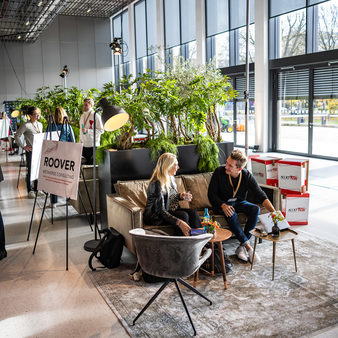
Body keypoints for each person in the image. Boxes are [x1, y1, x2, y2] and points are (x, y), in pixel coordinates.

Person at [208, 149, 275, 263]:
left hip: (238, 202)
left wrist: (274, 213)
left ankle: (241, 246)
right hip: (221, 204)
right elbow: (211, 194)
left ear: (239, 169)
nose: (226, 166)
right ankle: (248, 247)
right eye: (227, 162)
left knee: (255, 209)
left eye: (230, 165)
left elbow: (260, 194)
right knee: (230, 212)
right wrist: (223, 205)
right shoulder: (219, 171)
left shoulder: (246, 175)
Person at [143, 153, 201, 236]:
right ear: (168, 166)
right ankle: (183, 245)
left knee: (193, 213)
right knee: (183, 216)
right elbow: (161, 211)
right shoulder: (156, 184)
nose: (178, 167)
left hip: (169, 210)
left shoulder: (170, 178)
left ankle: (200, 240)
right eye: (176, 165)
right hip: (156, 216)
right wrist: (179, 222)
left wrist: (180, 196)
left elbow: (169, 197)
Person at [45, 106, 75, 206]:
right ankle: (68, 199)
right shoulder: (68, 127)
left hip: (53, 154)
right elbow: (73, 142)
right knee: (66, 178)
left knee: (53, 178)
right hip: (65, 154)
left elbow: (46, 141)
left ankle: (54, 202)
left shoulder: (50, 126)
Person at [14, 106, 43, 198]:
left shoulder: (40, 124)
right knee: (31, 170)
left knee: (38, 170)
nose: (37, 115)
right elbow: (16, 136)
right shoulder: (25, 125)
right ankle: (30, 190)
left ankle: (38, 189)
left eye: (38, 113)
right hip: (31, 150)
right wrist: (23, 147)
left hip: (39, 151)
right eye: (35, 114)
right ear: (30, 115)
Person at [79, 98, 104, 165]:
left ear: (91, 106)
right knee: (84, 167)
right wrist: (80, 143)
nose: (84, 106)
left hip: (92, 146)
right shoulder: (82, 116)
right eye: (84, 105)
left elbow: (101, 130)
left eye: (86, 105)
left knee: (91, 167)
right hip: (83, 145)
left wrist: (88, 131)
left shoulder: (96, 116)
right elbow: (81, 131)